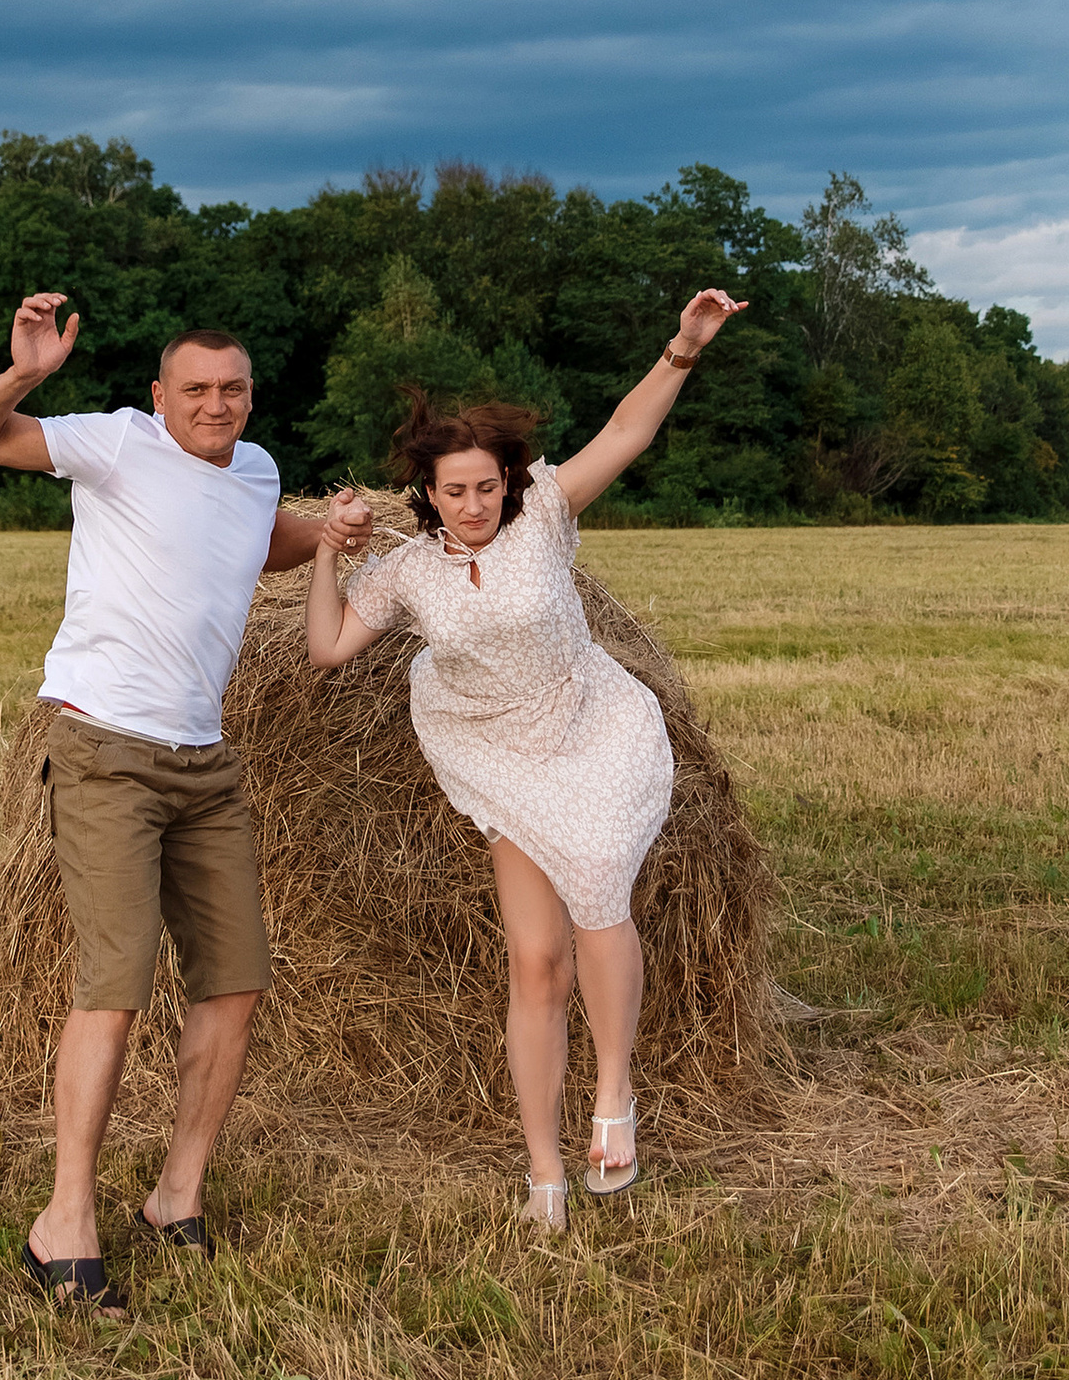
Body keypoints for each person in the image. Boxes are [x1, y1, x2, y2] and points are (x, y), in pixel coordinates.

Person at [302, 288, 746, 1232]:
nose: (472, 504)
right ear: (427, 492)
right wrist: (325, 557)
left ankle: (614, 1092)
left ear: (510, 479)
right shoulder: (407, 571)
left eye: (486, 486)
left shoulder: (546, 510)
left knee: (595, 889)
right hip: (491, 746)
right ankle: (545, 1170)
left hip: (588, 724)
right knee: (535, 961)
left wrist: (681, 350)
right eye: (453, 490)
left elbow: (626, 432)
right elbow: (328, 651)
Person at [0, 297, 343, 1312]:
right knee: (114, 985)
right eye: (197, 390)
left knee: (236, 982)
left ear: (251, 397)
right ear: (162, 396)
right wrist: (26, 373)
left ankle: (176, 1195)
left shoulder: (253, 474)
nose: (216, 405)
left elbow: (265, 540)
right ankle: (63, 1220)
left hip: (204, 765)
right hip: (105, 750)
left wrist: (345, 536)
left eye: (233, 389)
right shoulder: (115, 444)